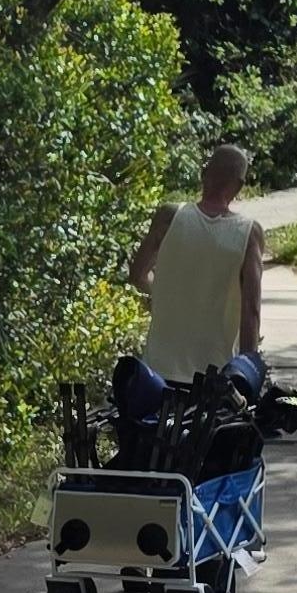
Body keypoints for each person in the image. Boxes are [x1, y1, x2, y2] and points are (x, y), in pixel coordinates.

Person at [115, 142, 266, 438]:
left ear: (203, 174)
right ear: (239, 186)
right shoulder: (249, 233)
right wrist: (249, 372)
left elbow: (137, 275)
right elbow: (251, 310)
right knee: (204, 459)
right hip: (216, 378)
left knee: (154, 452)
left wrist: (158, 298)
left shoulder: (169, 217)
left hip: (157, 372)